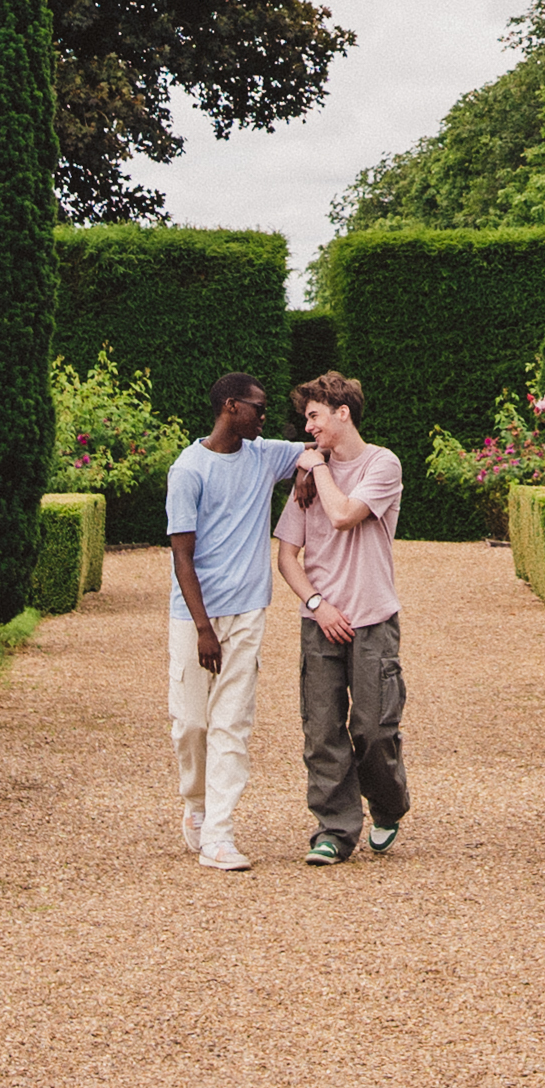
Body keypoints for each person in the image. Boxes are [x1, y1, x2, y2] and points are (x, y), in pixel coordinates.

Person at [162, 370, 302, 872]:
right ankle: (196, 803)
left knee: (232, 724)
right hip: (195, 617)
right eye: (257, 408)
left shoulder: (265, 455)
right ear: (229, 408)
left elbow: (317, 449)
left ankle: (219, 833)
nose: (265, 417)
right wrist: (202, 628)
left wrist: (305, 473)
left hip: (247, 612)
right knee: (191, 724)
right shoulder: (189, 470)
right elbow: (183, 558)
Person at [271, 369, 407, 865]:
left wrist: (317, 468)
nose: (308, 428)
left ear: (342, 413)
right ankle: (334, 829)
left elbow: (346, 514)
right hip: (321, 623)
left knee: (373, 730)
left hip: (372, 620)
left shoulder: (382, 464)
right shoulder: (307, 480)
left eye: (313, 417)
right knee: (322, 729)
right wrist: (316, 605)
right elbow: (287, 556)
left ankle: (388, 806)